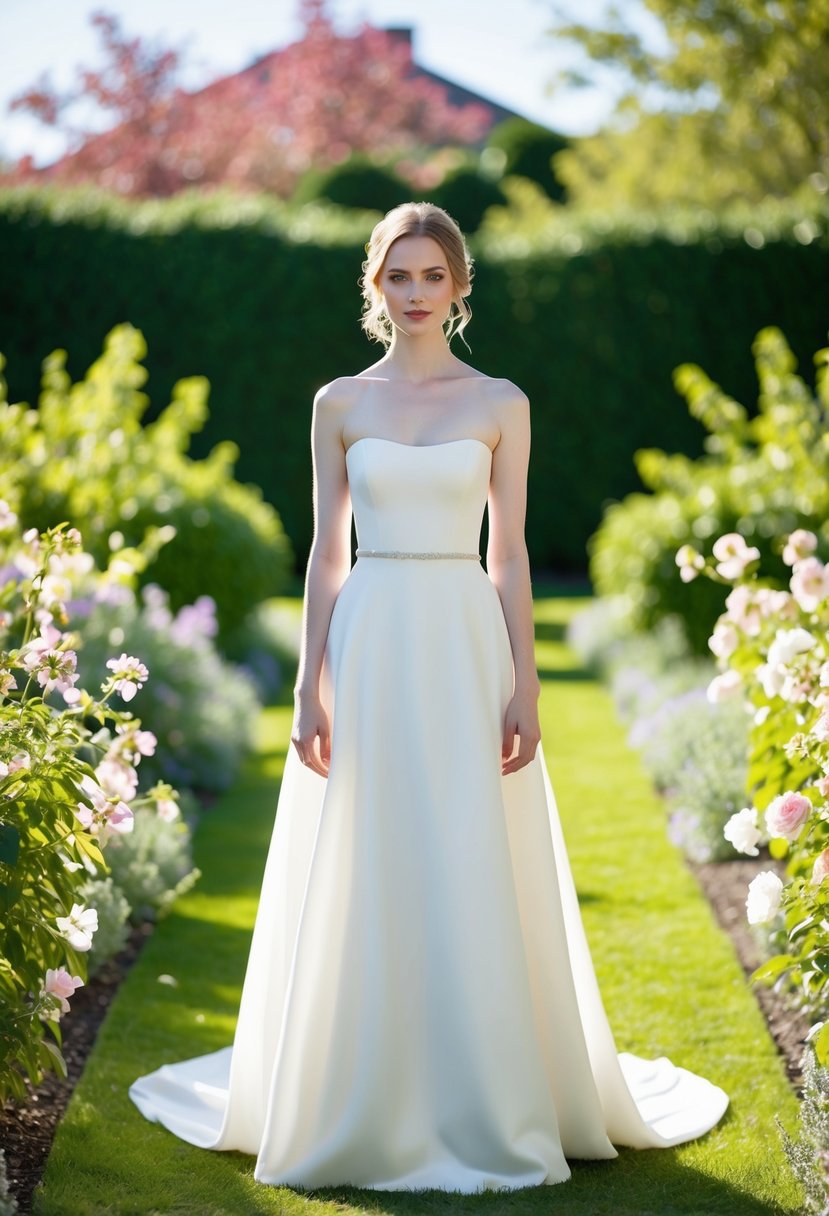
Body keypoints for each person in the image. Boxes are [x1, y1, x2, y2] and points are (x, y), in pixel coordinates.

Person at [129, 201, 728, 1192]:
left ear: (458, 287)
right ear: (374, 286)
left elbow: (512, 552)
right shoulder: (338, 404)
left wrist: (524, 681)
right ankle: (351, 1090)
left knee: (464, 843)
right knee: (369, 843)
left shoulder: (501, 401)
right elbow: (325, 551)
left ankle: (487, 1088)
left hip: (462, 639)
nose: (414, 294)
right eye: (397, 276)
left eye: (431, 276)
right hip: (369, 637)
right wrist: (308, 682)